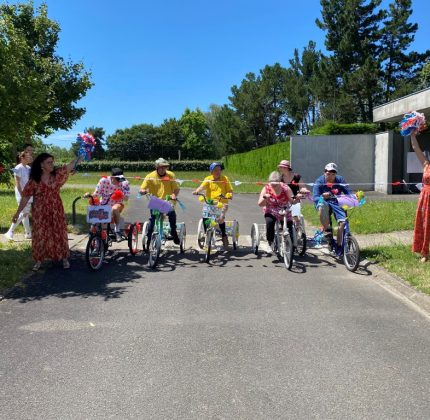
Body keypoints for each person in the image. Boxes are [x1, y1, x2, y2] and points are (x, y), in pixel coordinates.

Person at [12, 153, 82, 271]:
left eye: (52, 162)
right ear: (41, 165)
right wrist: (17, 212)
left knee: (59, 232)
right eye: (49, 162)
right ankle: (39, 260)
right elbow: (25, 197)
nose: (52, 165)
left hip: (56, 210)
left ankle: (64, 258)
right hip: (40, 212)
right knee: (40, 234)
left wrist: (82, 153)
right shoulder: (34, 180)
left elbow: (70, 165)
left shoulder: (57, 175)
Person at [140, 158, 180, 246]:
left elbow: (176, 189)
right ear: (156, 167)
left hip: (167, 200)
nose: (163, 169)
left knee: (171, 213)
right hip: (156, 201)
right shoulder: (150, 176)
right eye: (161, 167)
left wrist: (174, 195)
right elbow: (143, 187)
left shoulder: (171, 175)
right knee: (153, 218)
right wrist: (142, 191)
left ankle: (173, 231)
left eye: (165, 167)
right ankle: (149, 237)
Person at [193, 162, 233, 248]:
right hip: (210, 202)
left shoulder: (225, 179)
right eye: (215, 170)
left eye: (219, 170)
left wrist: (229, 195)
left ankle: (224, 235)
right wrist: (197, 191)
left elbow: (230, 190)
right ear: (211, 171)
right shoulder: (208, 179)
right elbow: (201, 187)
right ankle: (206, 233)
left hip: (222, 202)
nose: (218, 172)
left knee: (221, 218)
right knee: (205, 216)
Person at [312, 162, 353, 247]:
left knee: (343, 222)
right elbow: (315, 198)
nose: (330, 175)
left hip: (336, 203)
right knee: (322, 206)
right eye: (328, 173)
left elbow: (348, 192)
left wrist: (354, 197)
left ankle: (340, 243)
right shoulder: (319, 181)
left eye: (333, 173)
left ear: (336, 174)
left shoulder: (340, 180)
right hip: (324, 203)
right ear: (324, 172)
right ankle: (328, 231)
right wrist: (322, 196)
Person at [86, 168, 130, 241]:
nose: (119, 181)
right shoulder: (103, 181)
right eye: (118, 179)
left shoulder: (124, 183)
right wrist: (89, 195)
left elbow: (126, 198)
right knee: (95, 220)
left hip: (117, 204)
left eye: (120, 179)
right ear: (112, 177)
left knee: (114, 208)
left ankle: (117, 230)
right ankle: (96, 237)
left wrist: (120, 195)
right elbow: (96, 194)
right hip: (104, 205)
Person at [258, 171, 293, 248]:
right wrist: (265, 198)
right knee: (269, 222)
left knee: (289, 227)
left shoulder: (285, 188)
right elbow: (260, 204)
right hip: (271, 210)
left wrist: (296, 198)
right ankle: (270, 242)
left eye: (275, 183)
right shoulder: (266, 188)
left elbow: (292, 200)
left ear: (279, 181)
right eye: (271, 183)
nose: (273, 185)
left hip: (284, 209)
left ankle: (291, 245)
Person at [4, 151, 33, 240]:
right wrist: (22, 194)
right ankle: (10, 231)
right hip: (21, 194)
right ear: (22, 158)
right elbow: (17, 183)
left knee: (26, 213)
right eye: (27, 157)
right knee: (24, 213)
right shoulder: (18, 168)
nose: (29, 158)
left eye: (29, 157)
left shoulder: (28, 167)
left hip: (28, 193)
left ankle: (28, 233)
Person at [411, 131, 430, 263]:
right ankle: (424, 253)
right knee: (424, 226)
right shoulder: (426, 164)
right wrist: (412, 134)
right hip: (425, 199)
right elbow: (415, 148)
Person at [278, 160, 310, 225]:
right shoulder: (279, 178)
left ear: (287, 168)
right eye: (280, 167)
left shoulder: (297, 177)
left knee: (295, 213)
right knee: (281, 213)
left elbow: (302, 186)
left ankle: (297, 223)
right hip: (284, 198)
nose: (280, 168)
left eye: (282, 167)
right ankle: (283, 225)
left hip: (295, 198)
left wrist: (303, 191)